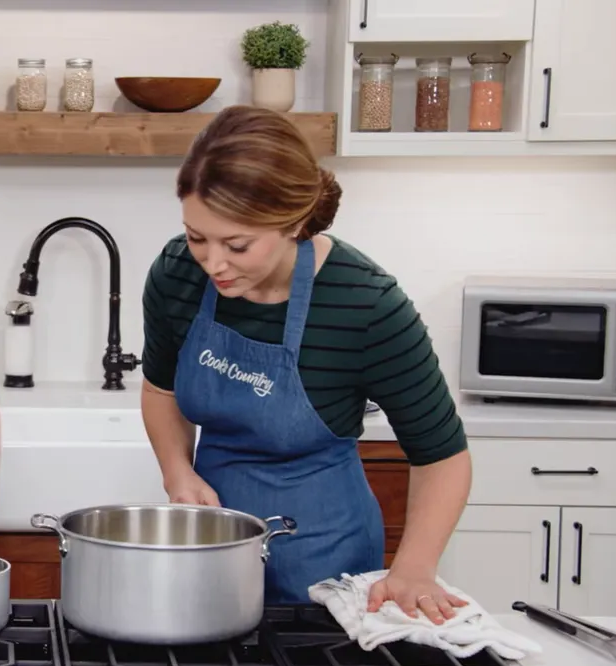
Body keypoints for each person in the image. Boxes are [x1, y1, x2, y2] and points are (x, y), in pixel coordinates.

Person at [140, 105, 472, 623]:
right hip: (211, 549)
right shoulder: (177, 275)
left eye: (238, 244)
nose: (213, 263)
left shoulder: (366, 303)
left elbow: (442, 456)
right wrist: (177, 472)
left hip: (325, 555)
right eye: (196, 236)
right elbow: (160, 391)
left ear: (293, 221)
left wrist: (414, 567)